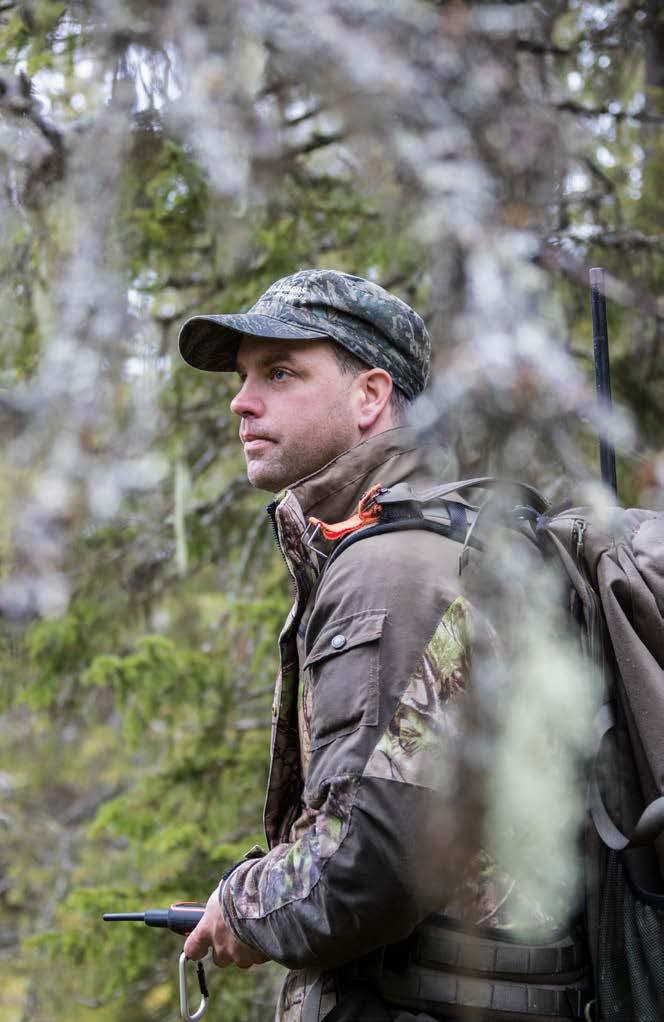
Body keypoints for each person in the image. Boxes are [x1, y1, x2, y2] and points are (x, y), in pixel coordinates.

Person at [178, 270, 588, 1022]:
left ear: (371, 396)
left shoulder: (391, 574)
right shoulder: (424, 548)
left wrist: (241, 904)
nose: (242, 401)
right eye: (242, 378)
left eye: (279, 372)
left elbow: (362, 866)